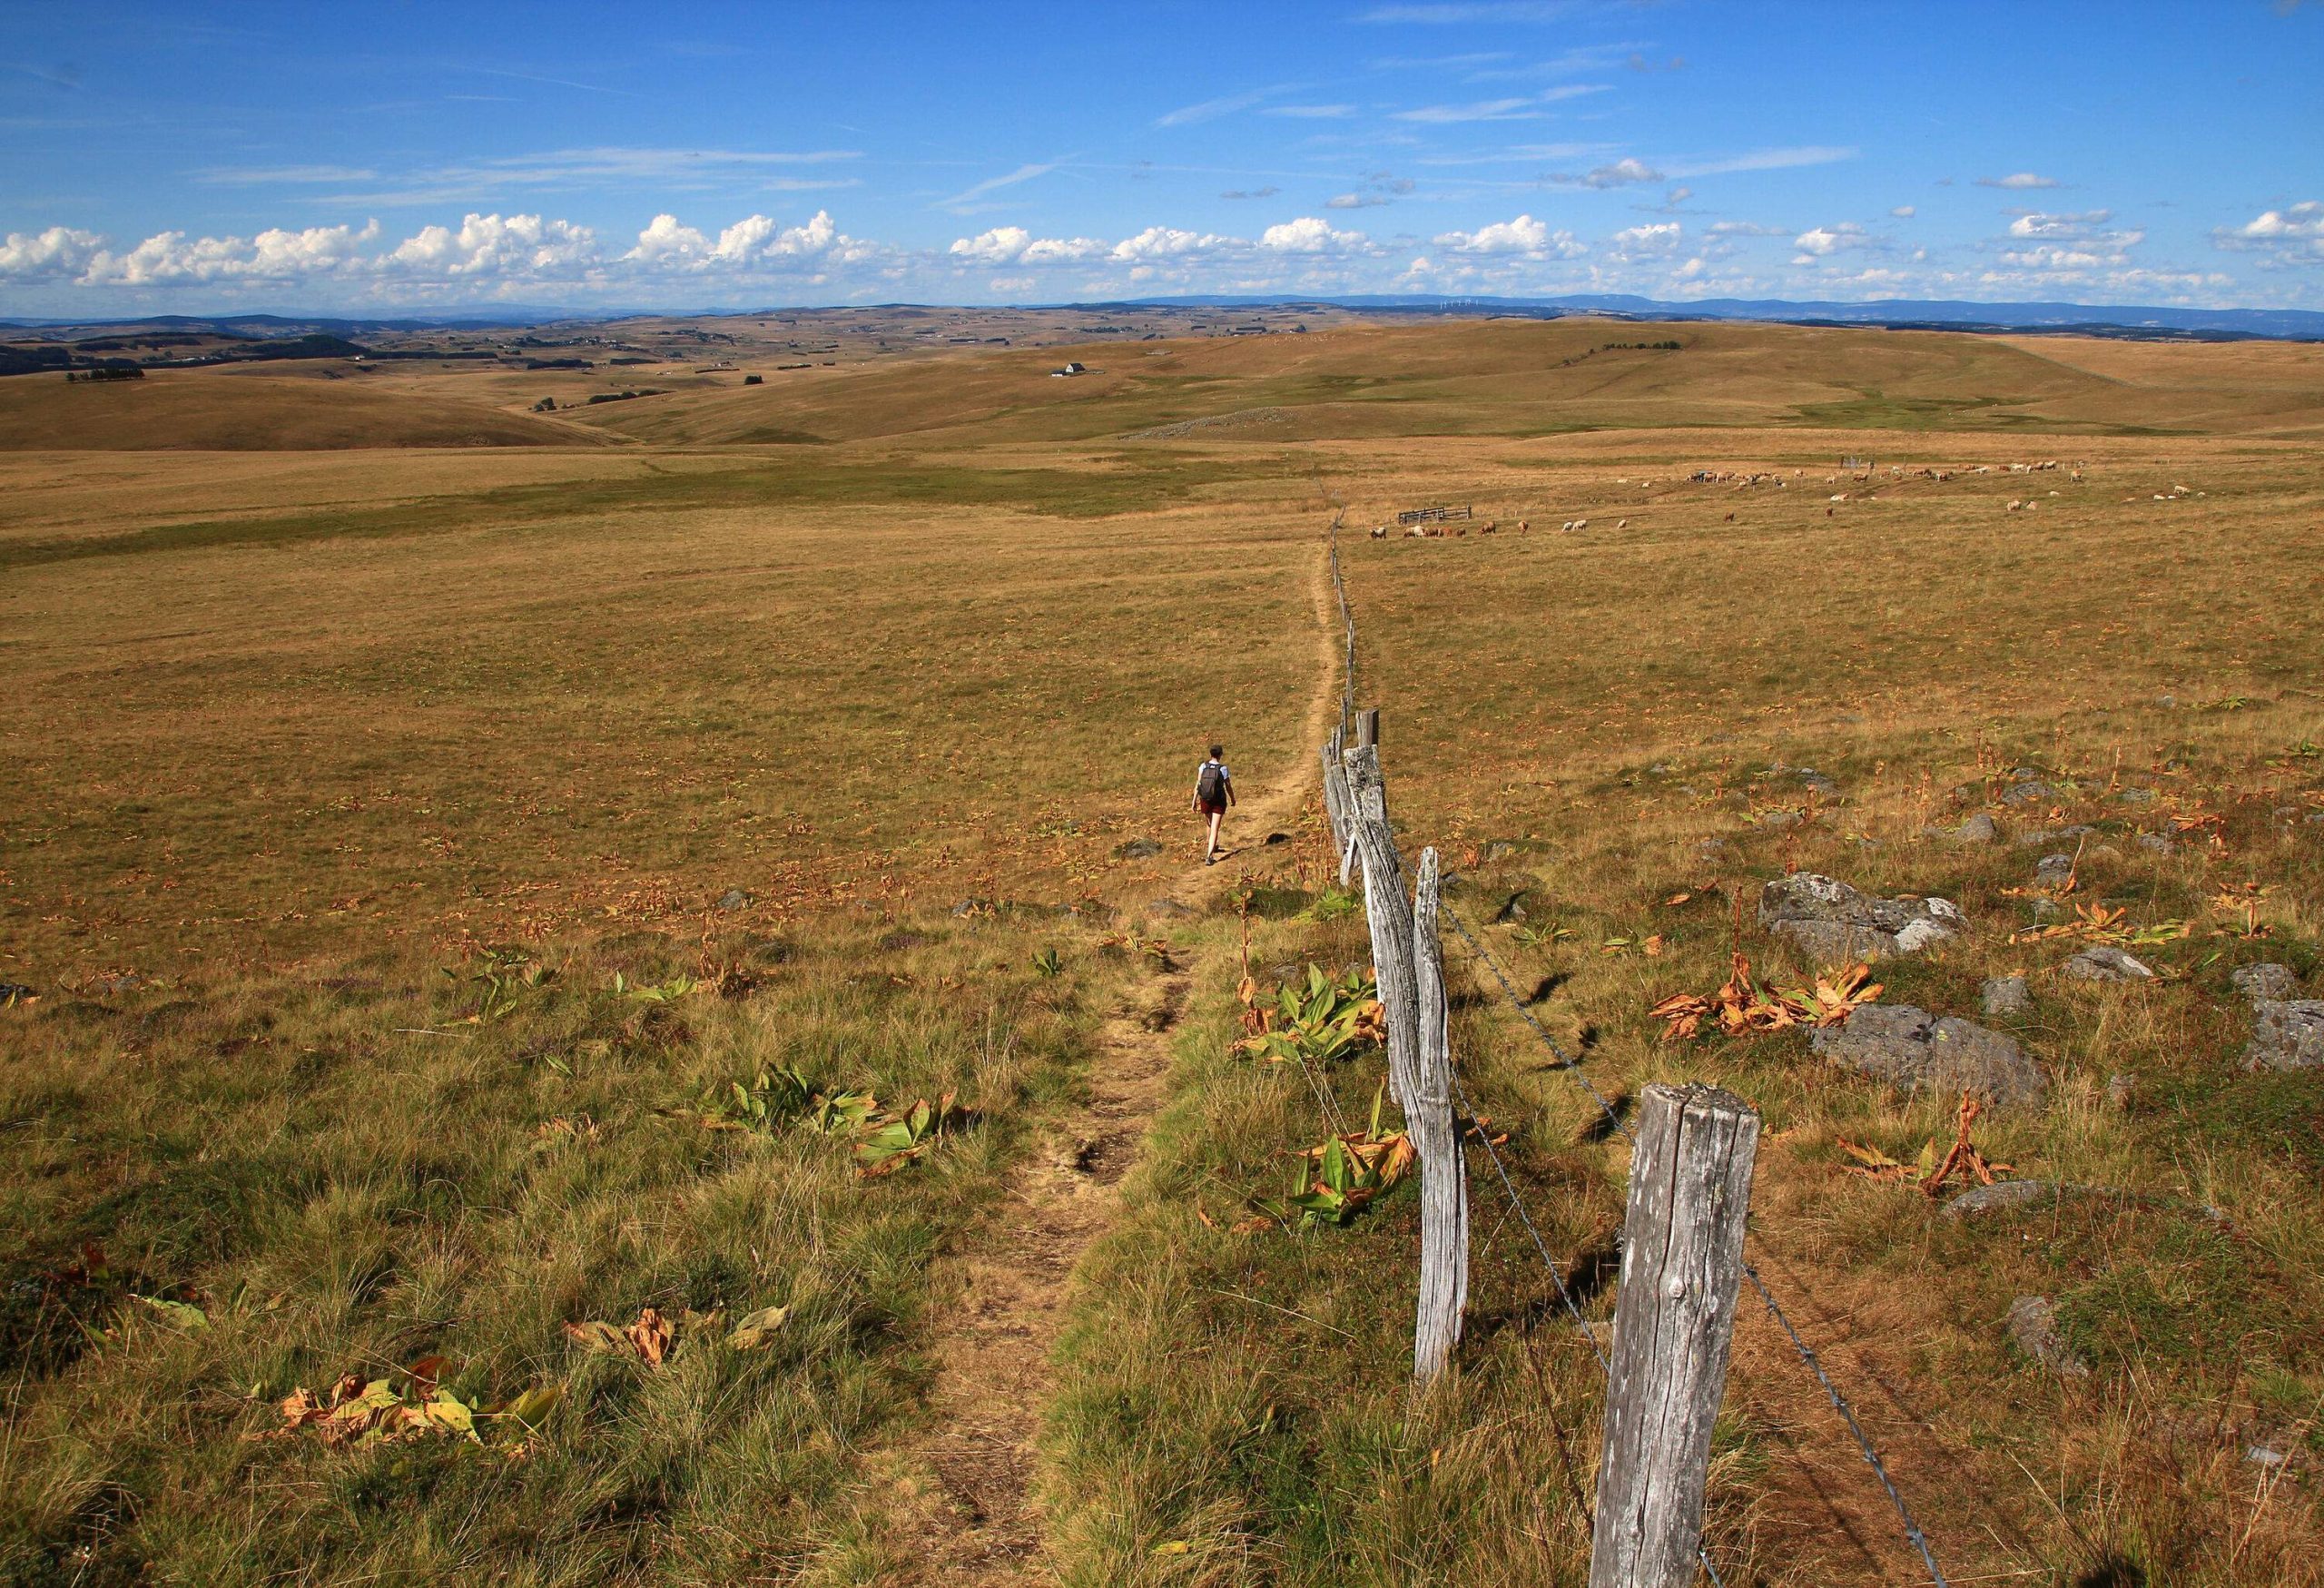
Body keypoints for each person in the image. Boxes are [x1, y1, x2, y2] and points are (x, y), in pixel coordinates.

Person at [1193, 744, 1236, 863]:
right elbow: (1228, 786)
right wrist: (1232, 798)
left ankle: (1211, 847)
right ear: (1220, 755)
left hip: (1205, 799)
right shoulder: (1223, 769)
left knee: (1209, 824)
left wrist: (1194, 800)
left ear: (1210, 754)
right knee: (1215, 828)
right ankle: (1210, 856)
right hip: (1218, 800)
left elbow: (1198, 783)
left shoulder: (1203, 766)